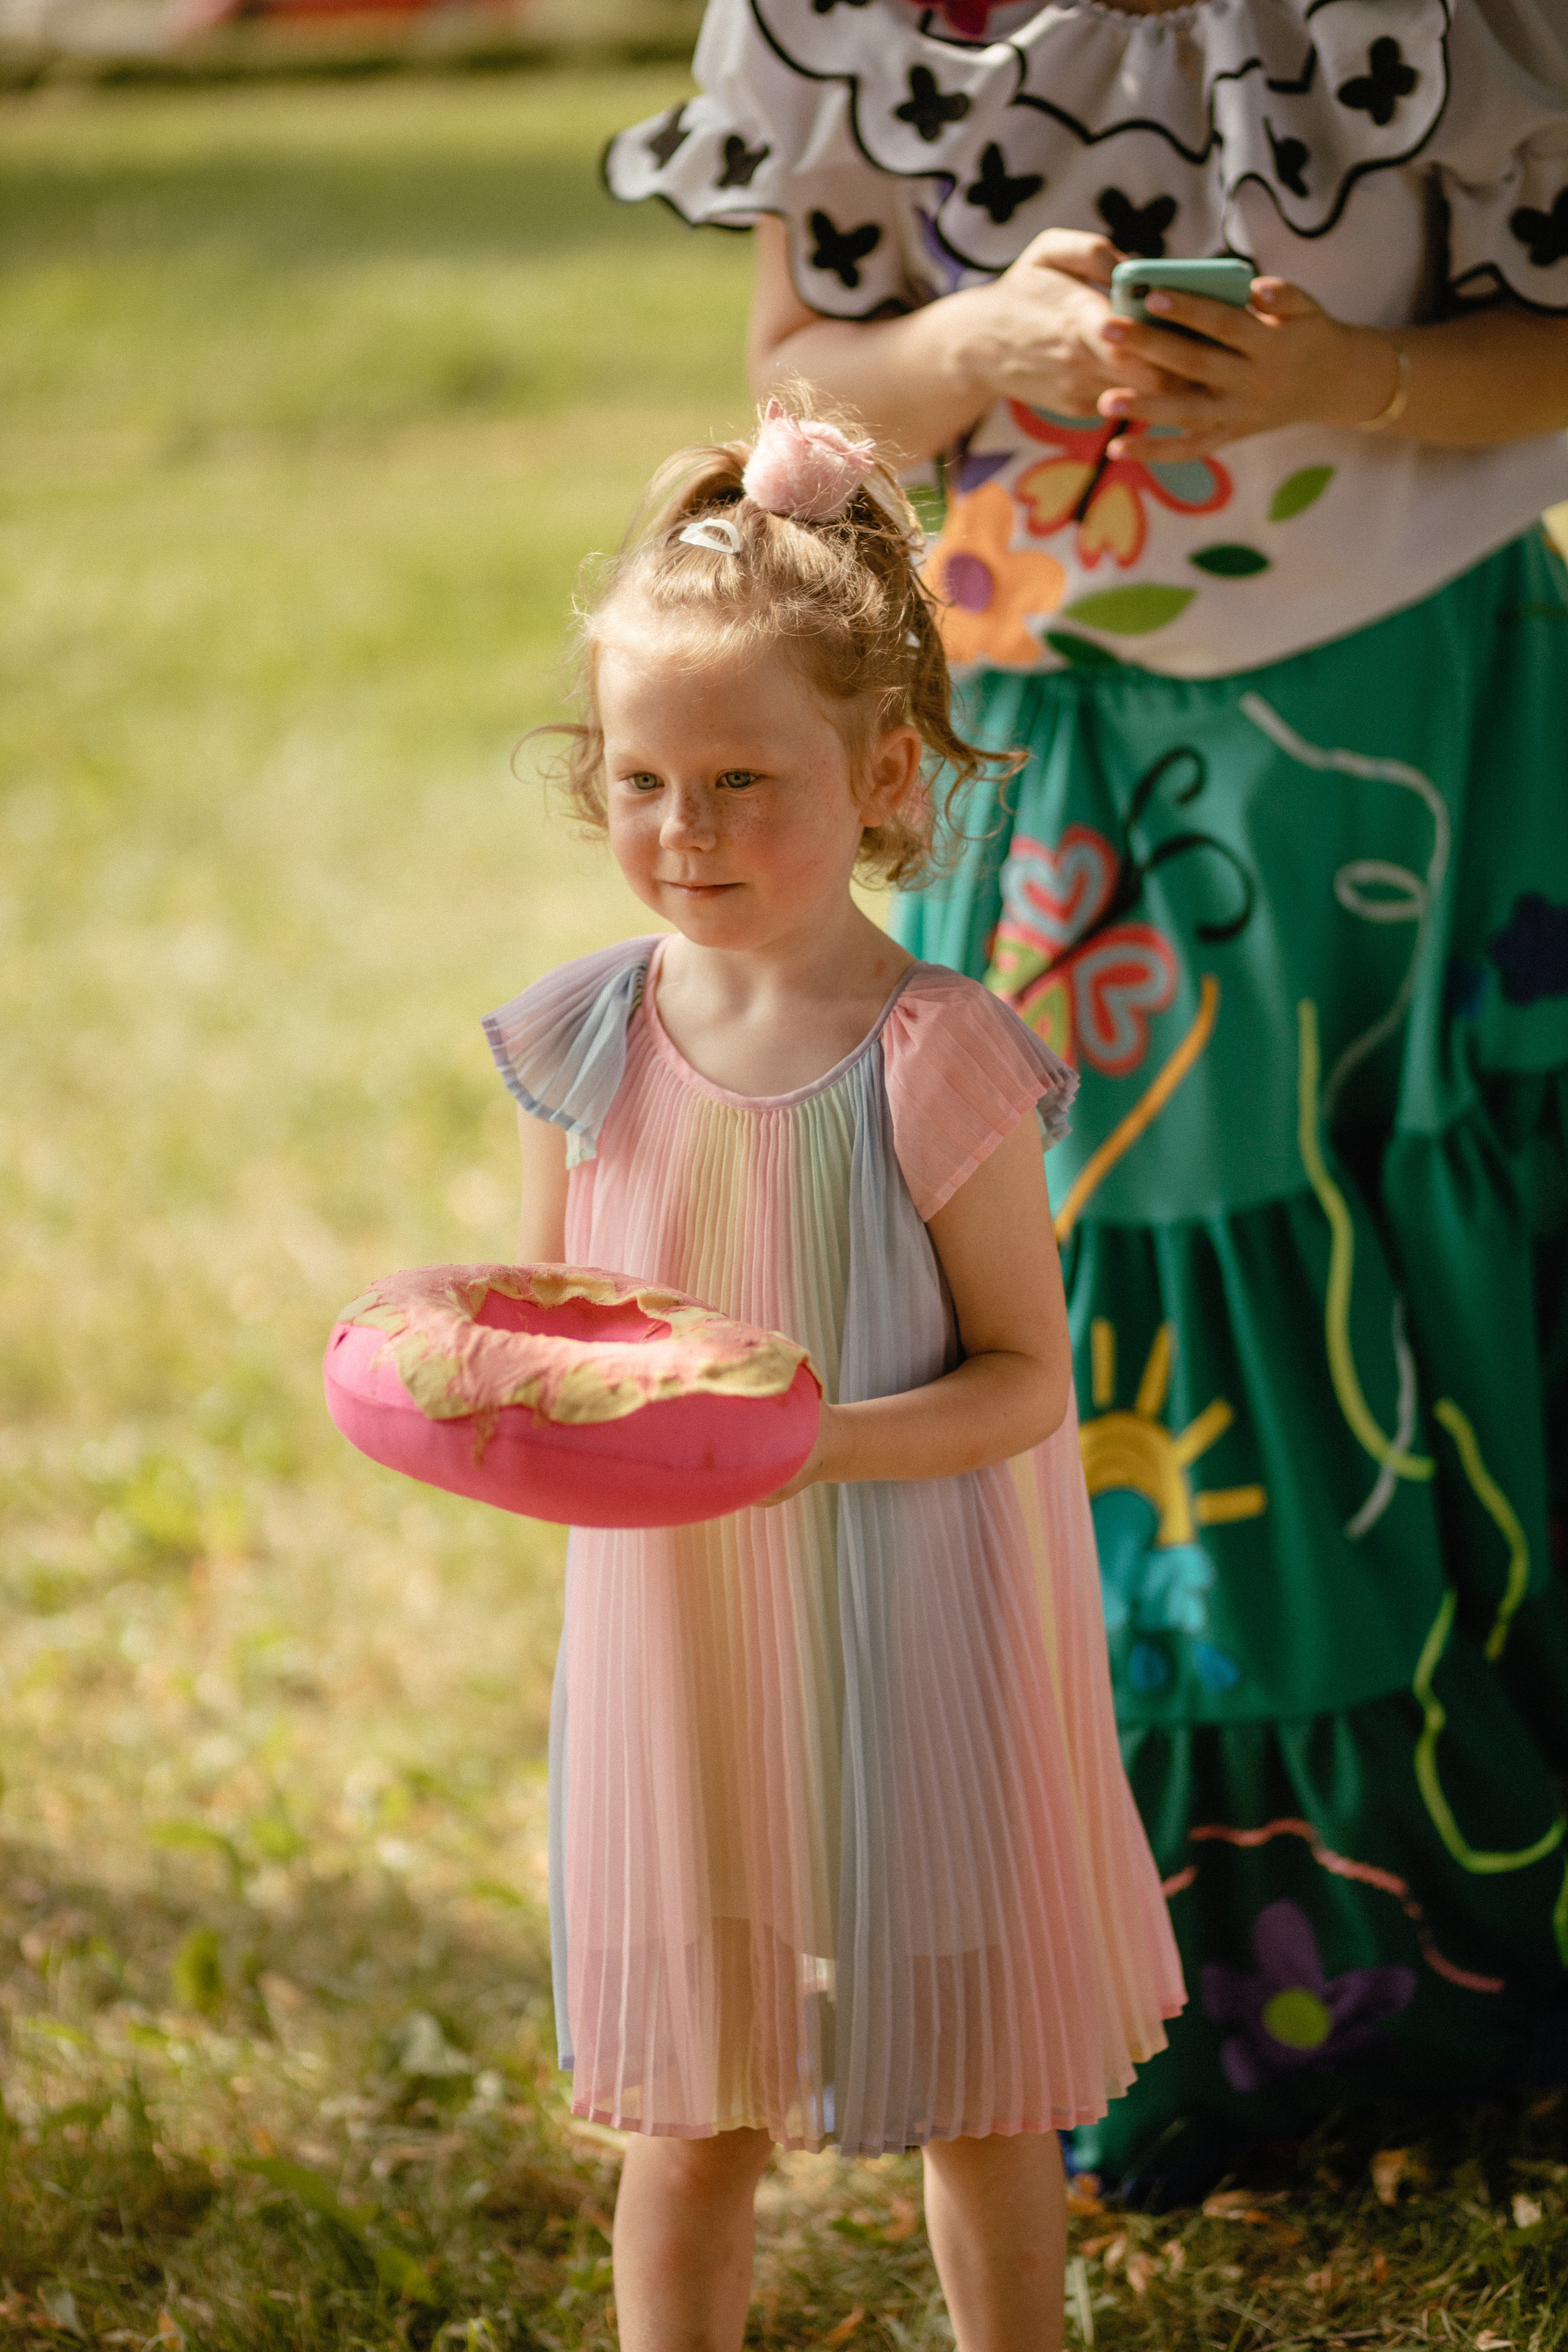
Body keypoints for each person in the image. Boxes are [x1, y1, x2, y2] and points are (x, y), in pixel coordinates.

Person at [604, 0, 1568, 2190]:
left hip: (1408, 720)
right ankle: (1160, 1996)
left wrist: (1358, 378)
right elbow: (795, 379)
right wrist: (960, 355)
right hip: (1028, 734)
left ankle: (1500, 1942)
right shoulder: (853, 22)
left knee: (1439, 1263)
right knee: (1083, 1308)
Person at [482, 402, 1184, 2349]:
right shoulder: (583, 1042)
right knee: (697, 2099)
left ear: (880, 775)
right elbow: (567, 1327)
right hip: (683, 1638)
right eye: (641, 781)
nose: (683, 833)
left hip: (913, 1613)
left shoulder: (934, 1053)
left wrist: (814, 1446)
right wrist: (479, 1376)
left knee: (971, 2074)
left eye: (740, 782)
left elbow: (1029, 1378)